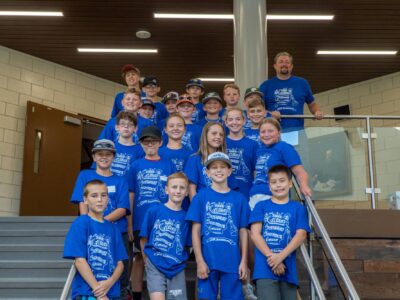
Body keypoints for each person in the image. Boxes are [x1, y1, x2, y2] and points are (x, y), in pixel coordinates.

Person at [70, 139, 131, 298]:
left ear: (113, 157)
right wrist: (89, 223)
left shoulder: (121, 180)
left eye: (108, 154)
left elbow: (123, 208)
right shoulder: (85, 175)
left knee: (121, 272)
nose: (104, 157)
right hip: (91, 231)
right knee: (92, 266)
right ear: (94, 157)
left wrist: (102, 223)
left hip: (116, 230)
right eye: (100, 154)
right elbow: (81, 200)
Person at [186, 152, 249, 300]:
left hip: (232, 261)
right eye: (214, 167)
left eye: (222, 167)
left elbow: (243, 231)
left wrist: (244, 260)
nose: (218, 170)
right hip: (208, 260)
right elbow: (195, 231)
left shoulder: (239, 199)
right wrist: (199, 261)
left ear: (229, 171)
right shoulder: (200, 197)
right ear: (207, 172)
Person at [126, 126, 175, 300]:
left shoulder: (168, 165)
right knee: (139, 258)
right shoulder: (135, 166)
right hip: (140, 219)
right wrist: (130, 223)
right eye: (146, 142)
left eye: (153, 141)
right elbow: (131, 194)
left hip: (163, 221)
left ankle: (166, 294)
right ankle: (138, 296)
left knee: (164, 256)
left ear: (160, 142)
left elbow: (175, 192)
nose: (150, 145)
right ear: (141, 144)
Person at [249, 165, 310, 300]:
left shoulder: (298, 208)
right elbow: (254, 234)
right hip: (264, 268)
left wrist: (280, 257)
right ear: (269, 186)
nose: (278, 185)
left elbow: (301, 235)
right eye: (274, 182)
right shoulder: (261, 206)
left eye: (282, 181)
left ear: (289, 183)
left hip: (288, 268)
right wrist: (273, 258)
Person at [64, 179, 128, 300]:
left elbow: (120, 263)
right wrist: (99, 292)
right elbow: (79, 261)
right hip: (87, 291)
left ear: (108, 198)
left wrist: (109, 283)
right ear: (85, 199)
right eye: (94, 196)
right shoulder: (81, 223)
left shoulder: (113, 228)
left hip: (112, 291)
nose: (100, 199)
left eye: (103, 195)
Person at [224, 107, 258, 300]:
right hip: (227, 196)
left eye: (238, 119)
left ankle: (248, 282)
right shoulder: (223, 142)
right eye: (231, 119)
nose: (235, 122)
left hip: (246, 197)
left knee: (248, 240)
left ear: (244, 120)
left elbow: (254, 172)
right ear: (226, 122)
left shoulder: (251, 144)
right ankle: (234, 283)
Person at [140, 172, 191, 300]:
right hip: (155, 263)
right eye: (174, 187)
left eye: (182, 188)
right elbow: (144, 238)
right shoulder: (154, 211)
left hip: (176, 266)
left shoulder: (187, 218)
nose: (178, 191)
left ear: (187, 192)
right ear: (166, 190)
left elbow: (188, 245)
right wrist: (146, 259)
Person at [249, 118, 312, 211]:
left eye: (270, 131)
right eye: (263, 132)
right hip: (254, 196)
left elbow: (300, 172)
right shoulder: (259, 150)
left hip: (274, 196)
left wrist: (304, 185)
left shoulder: (284, 147)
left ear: (278, 133)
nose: (266, 134)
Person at [259, 51, 324, 132]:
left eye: (287, 62)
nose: (284, 64)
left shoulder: (302, 83)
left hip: (298, 131)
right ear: (275, 66)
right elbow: (257, 108)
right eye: (281, 62)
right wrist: (270, 114)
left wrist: (317, 111)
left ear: (291, 66)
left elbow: (312, 104)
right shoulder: (265, 85)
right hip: (272, 132)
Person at [184, 122, 235, 200]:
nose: (218, 137)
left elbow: (230, 188)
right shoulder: (194, 159)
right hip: (203, 205)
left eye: (221, 135)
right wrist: (197, 209)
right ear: (205, 135)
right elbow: (191, 189)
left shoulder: (226, 160)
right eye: (214, 133)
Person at [110, 111, 144, 177]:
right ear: (117, 127)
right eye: (122, 124)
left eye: (130, 124)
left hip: (128, 186)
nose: (126, 126)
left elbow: (139, 173)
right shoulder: (109, 147)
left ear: (135, 128)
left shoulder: (141, 150)